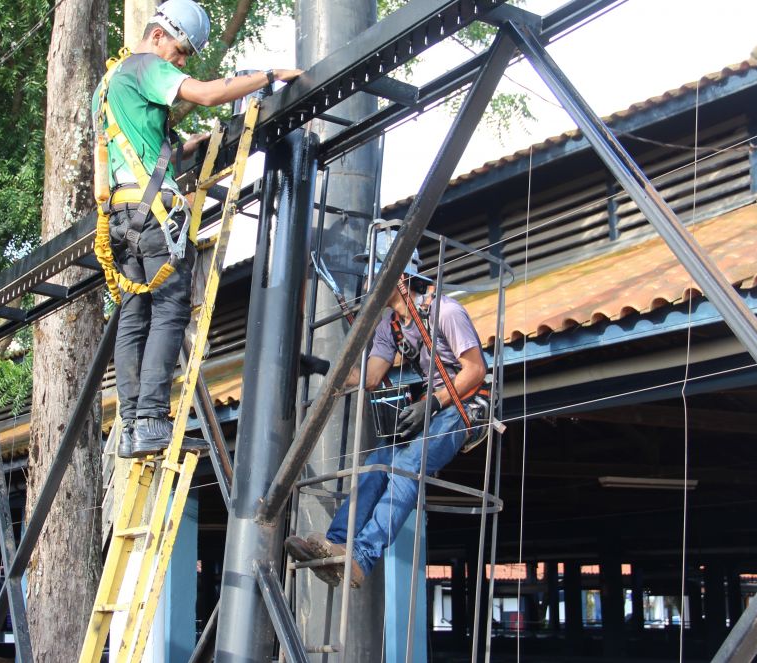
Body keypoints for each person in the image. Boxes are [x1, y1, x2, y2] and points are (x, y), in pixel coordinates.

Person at [93, 0, 302, 459]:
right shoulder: (145, 65)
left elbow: (152, 149)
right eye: (181, 50)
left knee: (133, 317)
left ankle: (132, 426)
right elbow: (206, 94)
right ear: (157, 36)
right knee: (169, 311)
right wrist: (268, 75)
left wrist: (199, 145)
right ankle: (151, 418)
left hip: (120, 216)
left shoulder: (109, 87)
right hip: (153, 215)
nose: (182, 62)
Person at [284, 230, 490, 587]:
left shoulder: (445, 310)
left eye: (374, 272)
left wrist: (434, 404)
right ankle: (336, 544)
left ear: (399, 274)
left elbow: (476, 370)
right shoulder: (390, 325)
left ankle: (362, 557)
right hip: (430, 404)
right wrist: (321, 367)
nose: (368, 281)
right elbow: (370, 377)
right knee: (375, 466)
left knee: (407, 467)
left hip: (463, 404)